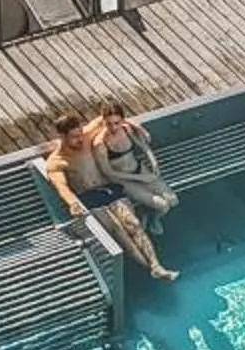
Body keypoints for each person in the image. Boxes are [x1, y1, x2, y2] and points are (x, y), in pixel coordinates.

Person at [43, 110, 177, 280]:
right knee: (118, 230)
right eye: (73, 137)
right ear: (61, 136)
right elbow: (61, 186)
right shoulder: (57, 161)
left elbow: (109, 115)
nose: (80, 140)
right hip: (88, 198)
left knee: (133, 224)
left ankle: (156, 265)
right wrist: (72, 203)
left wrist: (137, 126)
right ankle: (150, 267)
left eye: (80, 134)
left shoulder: (86, 134)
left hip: (109, 188)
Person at [94, 99, 177, 219]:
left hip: (139, 169)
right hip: (123, 179)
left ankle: (151, 215)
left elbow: (144, 146)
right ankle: (150, 217)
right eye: (109, 124)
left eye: (117, 123)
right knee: (163, 206)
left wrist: (154, 163)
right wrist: (140, 178)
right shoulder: (100, 144)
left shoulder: (126, 129)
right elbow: (108, 172)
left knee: (173, 200)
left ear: (122, 120)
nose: (113, 127)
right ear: (103, 122)